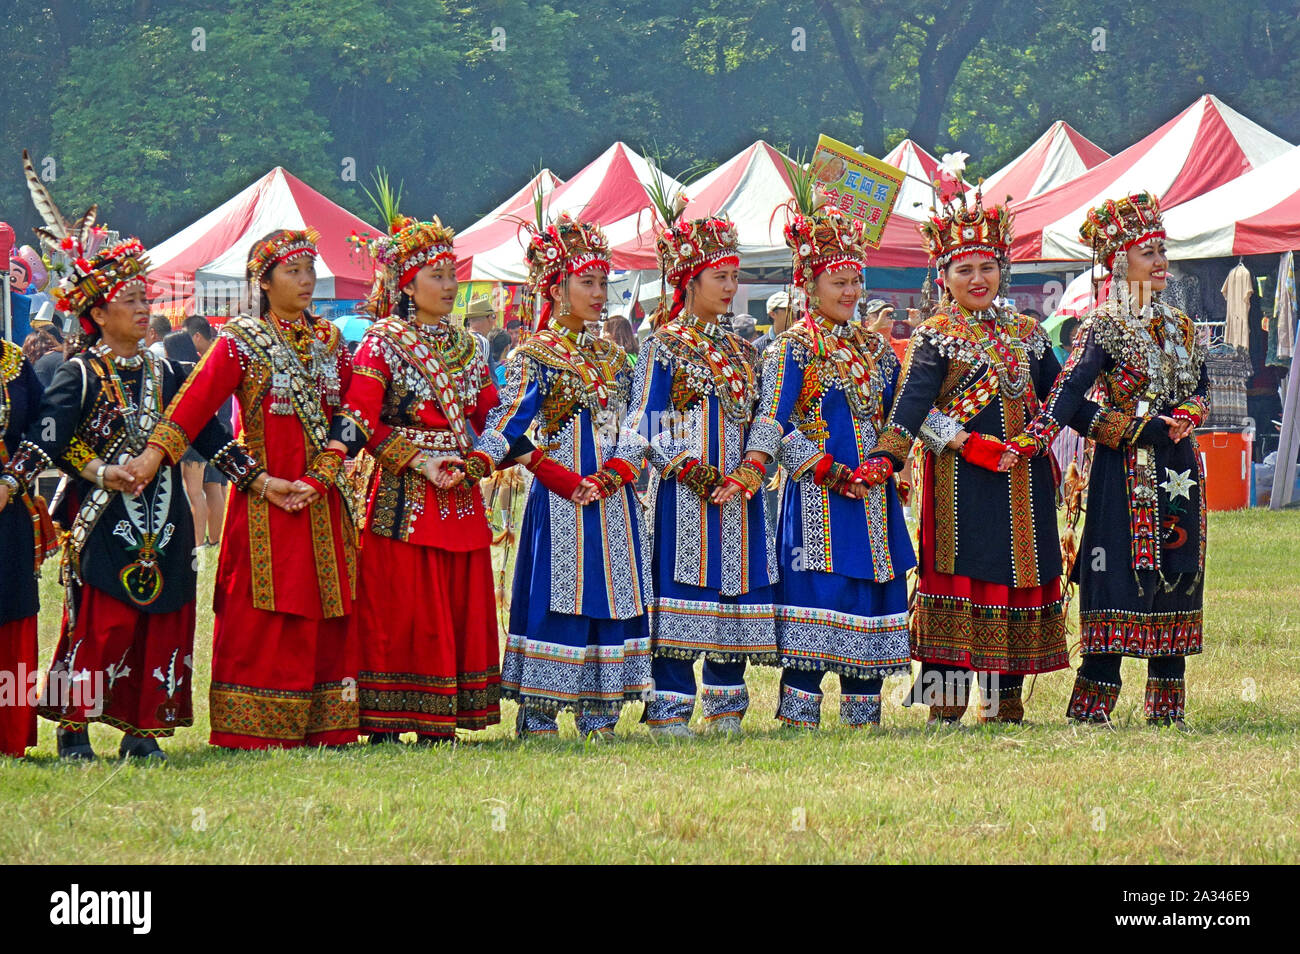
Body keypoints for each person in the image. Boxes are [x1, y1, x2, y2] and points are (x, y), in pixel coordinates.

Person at [4, 224, 254, 760]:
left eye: (146, 299)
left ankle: (144, 729)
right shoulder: (80, 373)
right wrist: (89, 472)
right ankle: (74, 726)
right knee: (103, 620)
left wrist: (256, 480)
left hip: (168, 515)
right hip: (103, 515)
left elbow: (209, 434)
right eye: (131, 301)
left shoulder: (169, 371)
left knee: (164, 617)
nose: (144, 309)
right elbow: (50, 438)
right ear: (98, 314)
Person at [127, 228, 361, 750]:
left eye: (309, 270)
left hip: (322, 495)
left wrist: (327, 469)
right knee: (266, 599)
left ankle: (328, 723)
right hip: (265, 499)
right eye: (292, 271)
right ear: (264, 281)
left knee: (329, 598)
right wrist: (154, 456)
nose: (306, 280)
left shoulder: (330, 341)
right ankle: (253, 723)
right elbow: (192, 407)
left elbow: (354, 411)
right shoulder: (241, 340)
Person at [866, 181, 1070, 725]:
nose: (978, 279)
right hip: (959, 480)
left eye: (987, 267)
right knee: (960, 574)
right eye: (965, 270)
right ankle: (946, 701)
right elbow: (910, 408)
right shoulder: (935, 335)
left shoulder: (1027, 332)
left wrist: (1042, 437)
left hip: (1023, 477)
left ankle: (1004, 700)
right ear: (944, 277)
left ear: (1002, 270)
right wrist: (954, 445)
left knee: (1016, 576)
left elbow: (1060, 396)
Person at [1026, 193, 1208, 728]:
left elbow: (1200, 389)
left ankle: (1167, 707)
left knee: (1178, 569)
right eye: (1147, 252)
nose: (1160, 262)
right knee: (1116, 573)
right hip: (1121, 472)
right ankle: (1093, 705)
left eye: (1162, 251)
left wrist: (1188, 414)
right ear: (1118, 261)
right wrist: (1037, 442)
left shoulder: (1182, 325)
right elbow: (1067, 396)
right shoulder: (1102, 325)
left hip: (1179, 468)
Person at [327, 212, 507, 743]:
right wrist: (418, 460)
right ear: (407, 284)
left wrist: (480, 462)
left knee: (454, 599)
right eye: (437, 276)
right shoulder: (383, 341)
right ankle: (386, 719)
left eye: (453, 275)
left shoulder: (470, 347)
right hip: (402, 489)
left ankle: (440, 718)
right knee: (398, 602)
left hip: (460, 487)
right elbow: (361, 418)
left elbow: (492, 417)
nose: (450, 286)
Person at [471, 214, 651, 739]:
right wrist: (483, 464)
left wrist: (618, 469)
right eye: (586, 282)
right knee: (561, 593)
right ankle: (540, 713)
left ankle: (601, 713)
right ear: (555, 289)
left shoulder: (613, 356)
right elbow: (508, 423)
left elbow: (639, 421)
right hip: (561, 499)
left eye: (602, 283)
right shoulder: (534, 355)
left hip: (613, 497)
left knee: (611, 595)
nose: (598, 294)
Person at [748, 200, 915, 730]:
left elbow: (903, 413)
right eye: (838, 282)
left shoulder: (877, 349)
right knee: (820, 586)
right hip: (819, 497)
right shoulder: (792, 348)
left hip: (874, 495)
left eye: (855, 281)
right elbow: (772, 422)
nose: (849, 292)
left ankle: (862, 712)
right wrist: (827, 470)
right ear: (810, 285)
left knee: (871, 587)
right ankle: (800, 712)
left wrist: (891, 459)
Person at [615, 214, 777, 737]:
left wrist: (751, 469)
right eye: (719, 277)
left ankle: (726, 707)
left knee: (734, 590)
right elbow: (644, 420)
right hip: (686, 494)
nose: (730, 287)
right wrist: (692, 470)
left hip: (740, 493)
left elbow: (766, 417)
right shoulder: (662, 345)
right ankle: (670, 709)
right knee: (680, 588)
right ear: (689, 281)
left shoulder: (744, 351)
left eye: (734, 277)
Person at [0, 338, 46, 756]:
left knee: (11, 604)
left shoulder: (14, 363)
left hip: (8, 508)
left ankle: (8, 732)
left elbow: (45, 430)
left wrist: (12, 480)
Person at [753, 291, 792, 356]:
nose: (793, 313)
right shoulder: (758, 347)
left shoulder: (801, 341)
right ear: (773, 314)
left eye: (794, 309)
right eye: (788, 309)